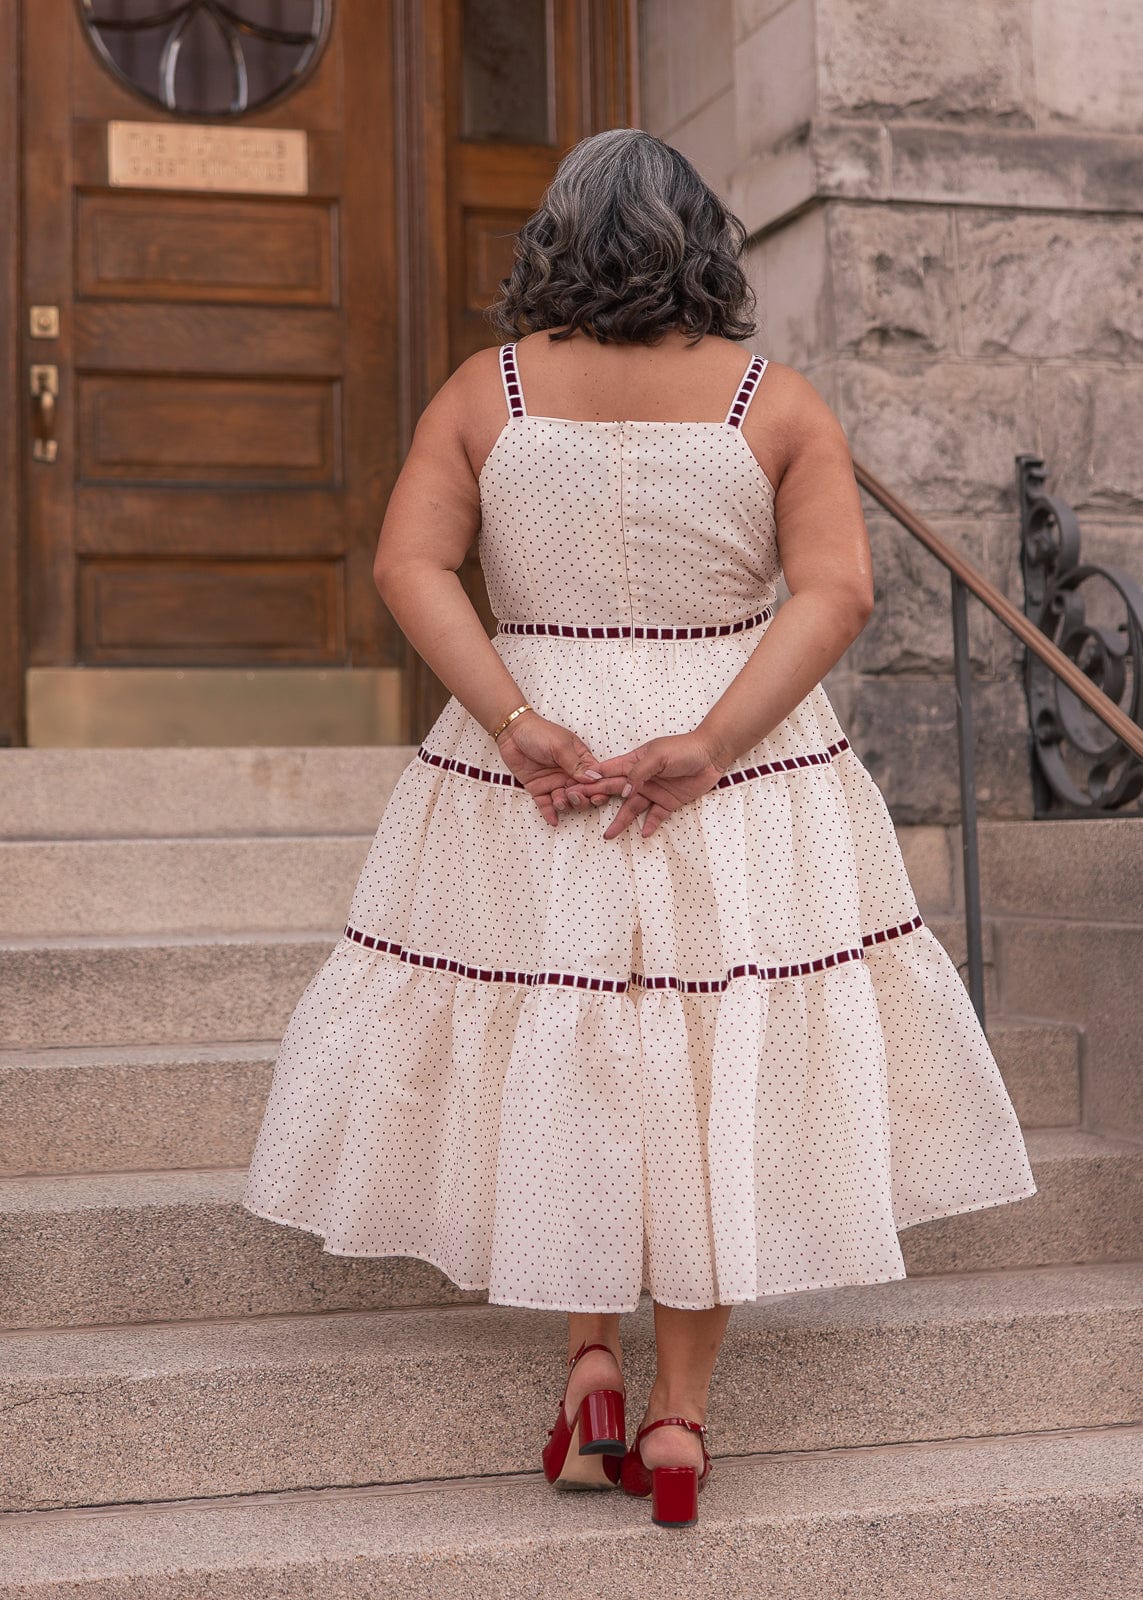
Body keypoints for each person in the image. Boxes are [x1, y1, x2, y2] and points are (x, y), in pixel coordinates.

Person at [241, 127, 1037, 1530]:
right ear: (706, 242)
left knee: (575, 1041)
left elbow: (410, 563)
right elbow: (839, 592)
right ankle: (677, 1418)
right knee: (704, 1056)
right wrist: (711, 742)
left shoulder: (484, 391)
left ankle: (588, 1366)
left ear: (554, 239)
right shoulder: (773, 403)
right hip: (731, 767)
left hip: (542, 761)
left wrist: (512, 719)